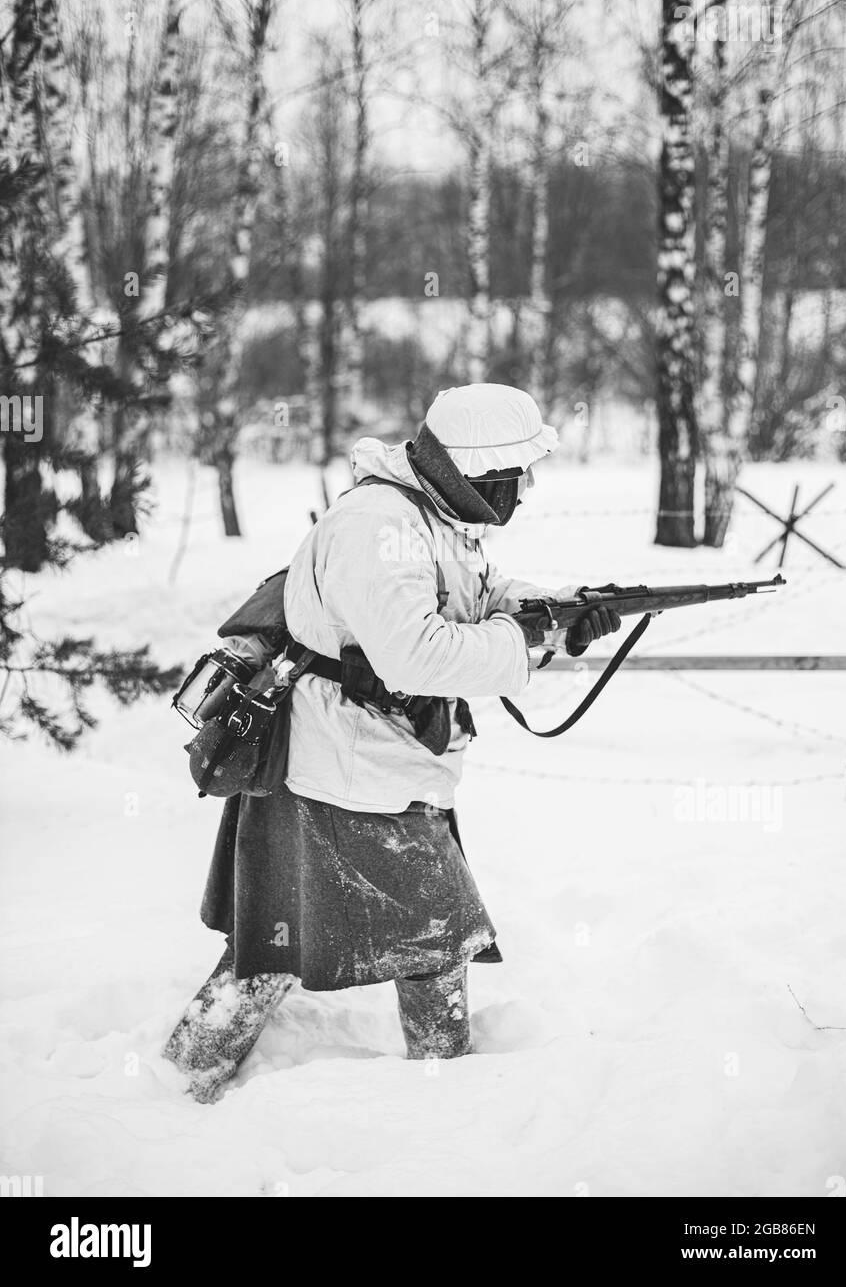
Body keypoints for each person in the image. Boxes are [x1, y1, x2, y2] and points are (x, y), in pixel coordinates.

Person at [163, 383, 621, 1101]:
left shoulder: (428, 516)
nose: (526, 490)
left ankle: (183, 1077)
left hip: (362, 766)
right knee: (438, 932)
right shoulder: (379, 526)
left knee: (278, 942)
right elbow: (415, 653)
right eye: (516, 474)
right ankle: (448, 1099)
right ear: (477, 471)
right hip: (343, 770)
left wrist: (553, 612)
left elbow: (479, 591)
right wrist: (519, 642)